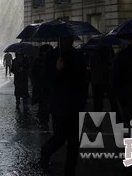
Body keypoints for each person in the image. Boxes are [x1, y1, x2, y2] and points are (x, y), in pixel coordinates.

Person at [40, 36, 87, 176]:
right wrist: (57, 70)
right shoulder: (52, 56)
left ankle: (70, 170)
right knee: (60, 137)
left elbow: (84, 79)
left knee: (74, 141)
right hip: (59, 104)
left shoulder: (79, 55)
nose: (68, 42)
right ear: (59, 40)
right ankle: (46, 151)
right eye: (65, 39)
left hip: (75, 104)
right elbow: (47, 80)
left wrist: (82, 100)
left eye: (70, 39)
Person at [89, 45, 117, 112]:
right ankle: (117, 118)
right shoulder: (108, 48)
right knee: (113, 101)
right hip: (107, 77)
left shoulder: (92, 49)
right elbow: (112, 62)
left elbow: (91, 64)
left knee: (98, 104)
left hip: (97, 79)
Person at [35, 44, 53, 129]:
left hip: (49, 87)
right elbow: (34, 74)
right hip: (42, 88)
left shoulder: (52, 60)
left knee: (47, 105)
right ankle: (43, 121)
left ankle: (44, 120)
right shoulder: (38, 61)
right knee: (43, 105)